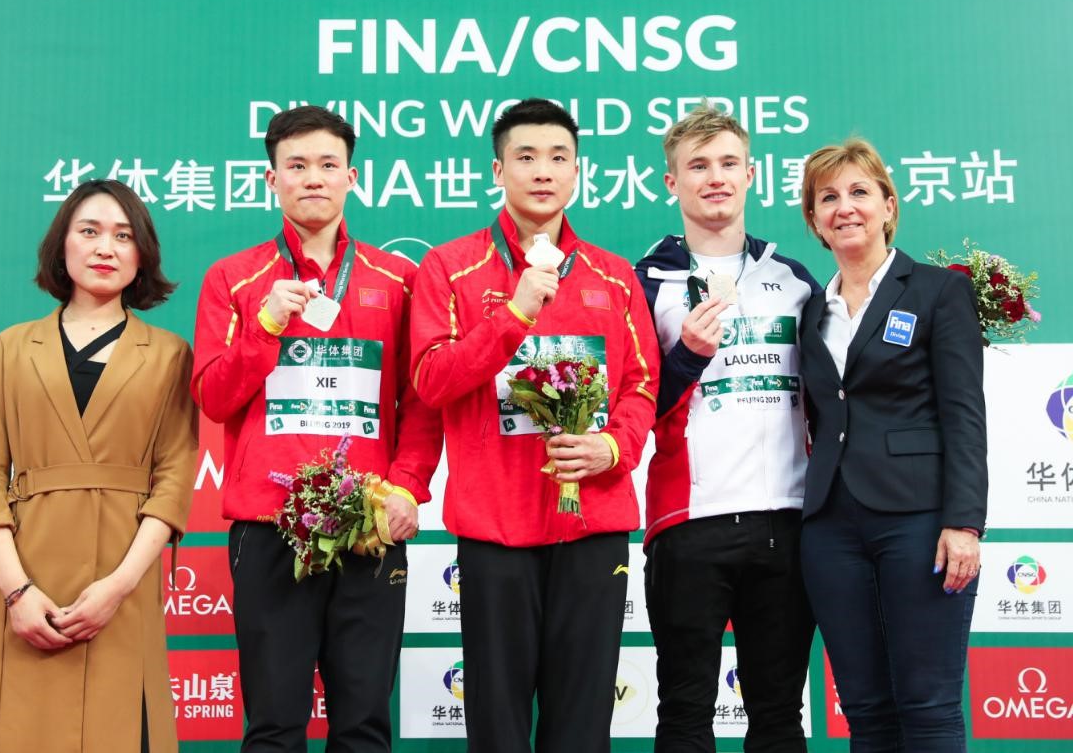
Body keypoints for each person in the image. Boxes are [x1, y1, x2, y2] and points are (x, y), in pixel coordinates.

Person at [409, 98, 660, 753]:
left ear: (577, 171)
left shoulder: (614, 275)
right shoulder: (450, 268)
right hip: (494, 530)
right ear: (498, 170)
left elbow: (640, 385)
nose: (542, 171)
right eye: (526, 157)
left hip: (592, 526)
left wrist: (611, 448)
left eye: (558, 157)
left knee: (581, 729)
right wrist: (514, 314)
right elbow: (431, 379)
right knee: (497, 727)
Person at [191, 105, 441, 752]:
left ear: (352, 178)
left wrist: (405, 489)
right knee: (275, 725)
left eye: (328, 165)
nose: (312, 178)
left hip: (369, 524)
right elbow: (213, 398)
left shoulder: (399, 280)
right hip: (270, 524)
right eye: (296, 165)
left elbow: (421, 401)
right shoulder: (234, 279)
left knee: (363, 726)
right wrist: (264, 327)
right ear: (270, 179)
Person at [0, 179, 198, 753]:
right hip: (25, 574)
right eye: (89, 231)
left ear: (143, 255)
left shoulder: (169, 354)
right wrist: (17, 592)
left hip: (121, 582)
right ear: (62, 245)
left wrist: (118, 587)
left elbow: (173, 479)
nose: (105, 247)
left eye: (123, 236)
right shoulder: (11, 347)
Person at [634, 104, 819, 752]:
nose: (715, 177)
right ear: (671, 182)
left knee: (780, 717)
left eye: (728, 163)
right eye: (698, 166)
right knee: (685, 716)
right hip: (689, 524)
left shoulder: (793, 280)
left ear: (750, 175)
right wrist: (686, 355)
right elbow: (630, 410)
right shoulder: (644, 283)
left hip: (787, 523)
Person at [797, 138, 986, 752]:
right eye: (828, 197)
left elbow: (964, 415)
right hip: (830, 525)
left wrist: (964, 523)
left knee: (928, 705)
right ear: (814, 220)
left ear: (888, 205)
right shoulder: (810, 311)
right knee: (865, 710)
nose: (844, 207)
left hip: (920, 520)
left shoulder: (937, 291)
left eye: (859, 192)